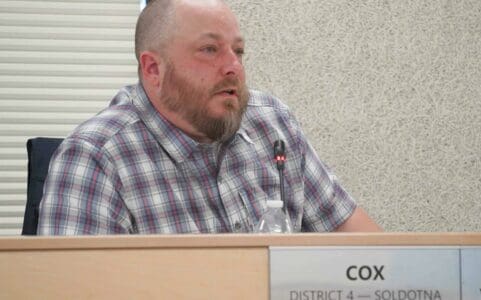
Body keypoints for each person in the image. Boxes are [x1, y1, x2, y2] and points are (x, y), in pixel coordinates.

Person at [38, 0, 381, 235]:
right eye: (210, 50)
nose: (233, 66)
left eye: (239, 51)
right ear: (153, 68)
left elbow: (363, 247)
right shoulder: (95, 157)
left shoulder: (273, 125)